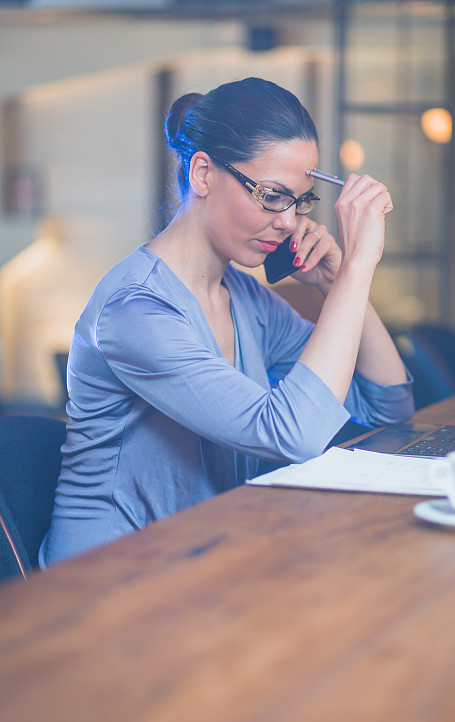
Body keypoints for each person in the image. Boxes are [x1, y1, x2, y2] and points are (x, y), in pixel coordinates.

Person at [39, 77, 413, 567]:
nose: (287, 221)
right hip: (107, 582)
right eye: (271, 195)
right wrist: (360, 269)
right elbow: (293, 434)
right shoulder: (135, 312)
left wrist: (338, 280)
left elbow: (386, 407)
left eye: (299, 201)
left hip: (208, 557)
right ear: (203, 174)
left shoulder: (247, 300)